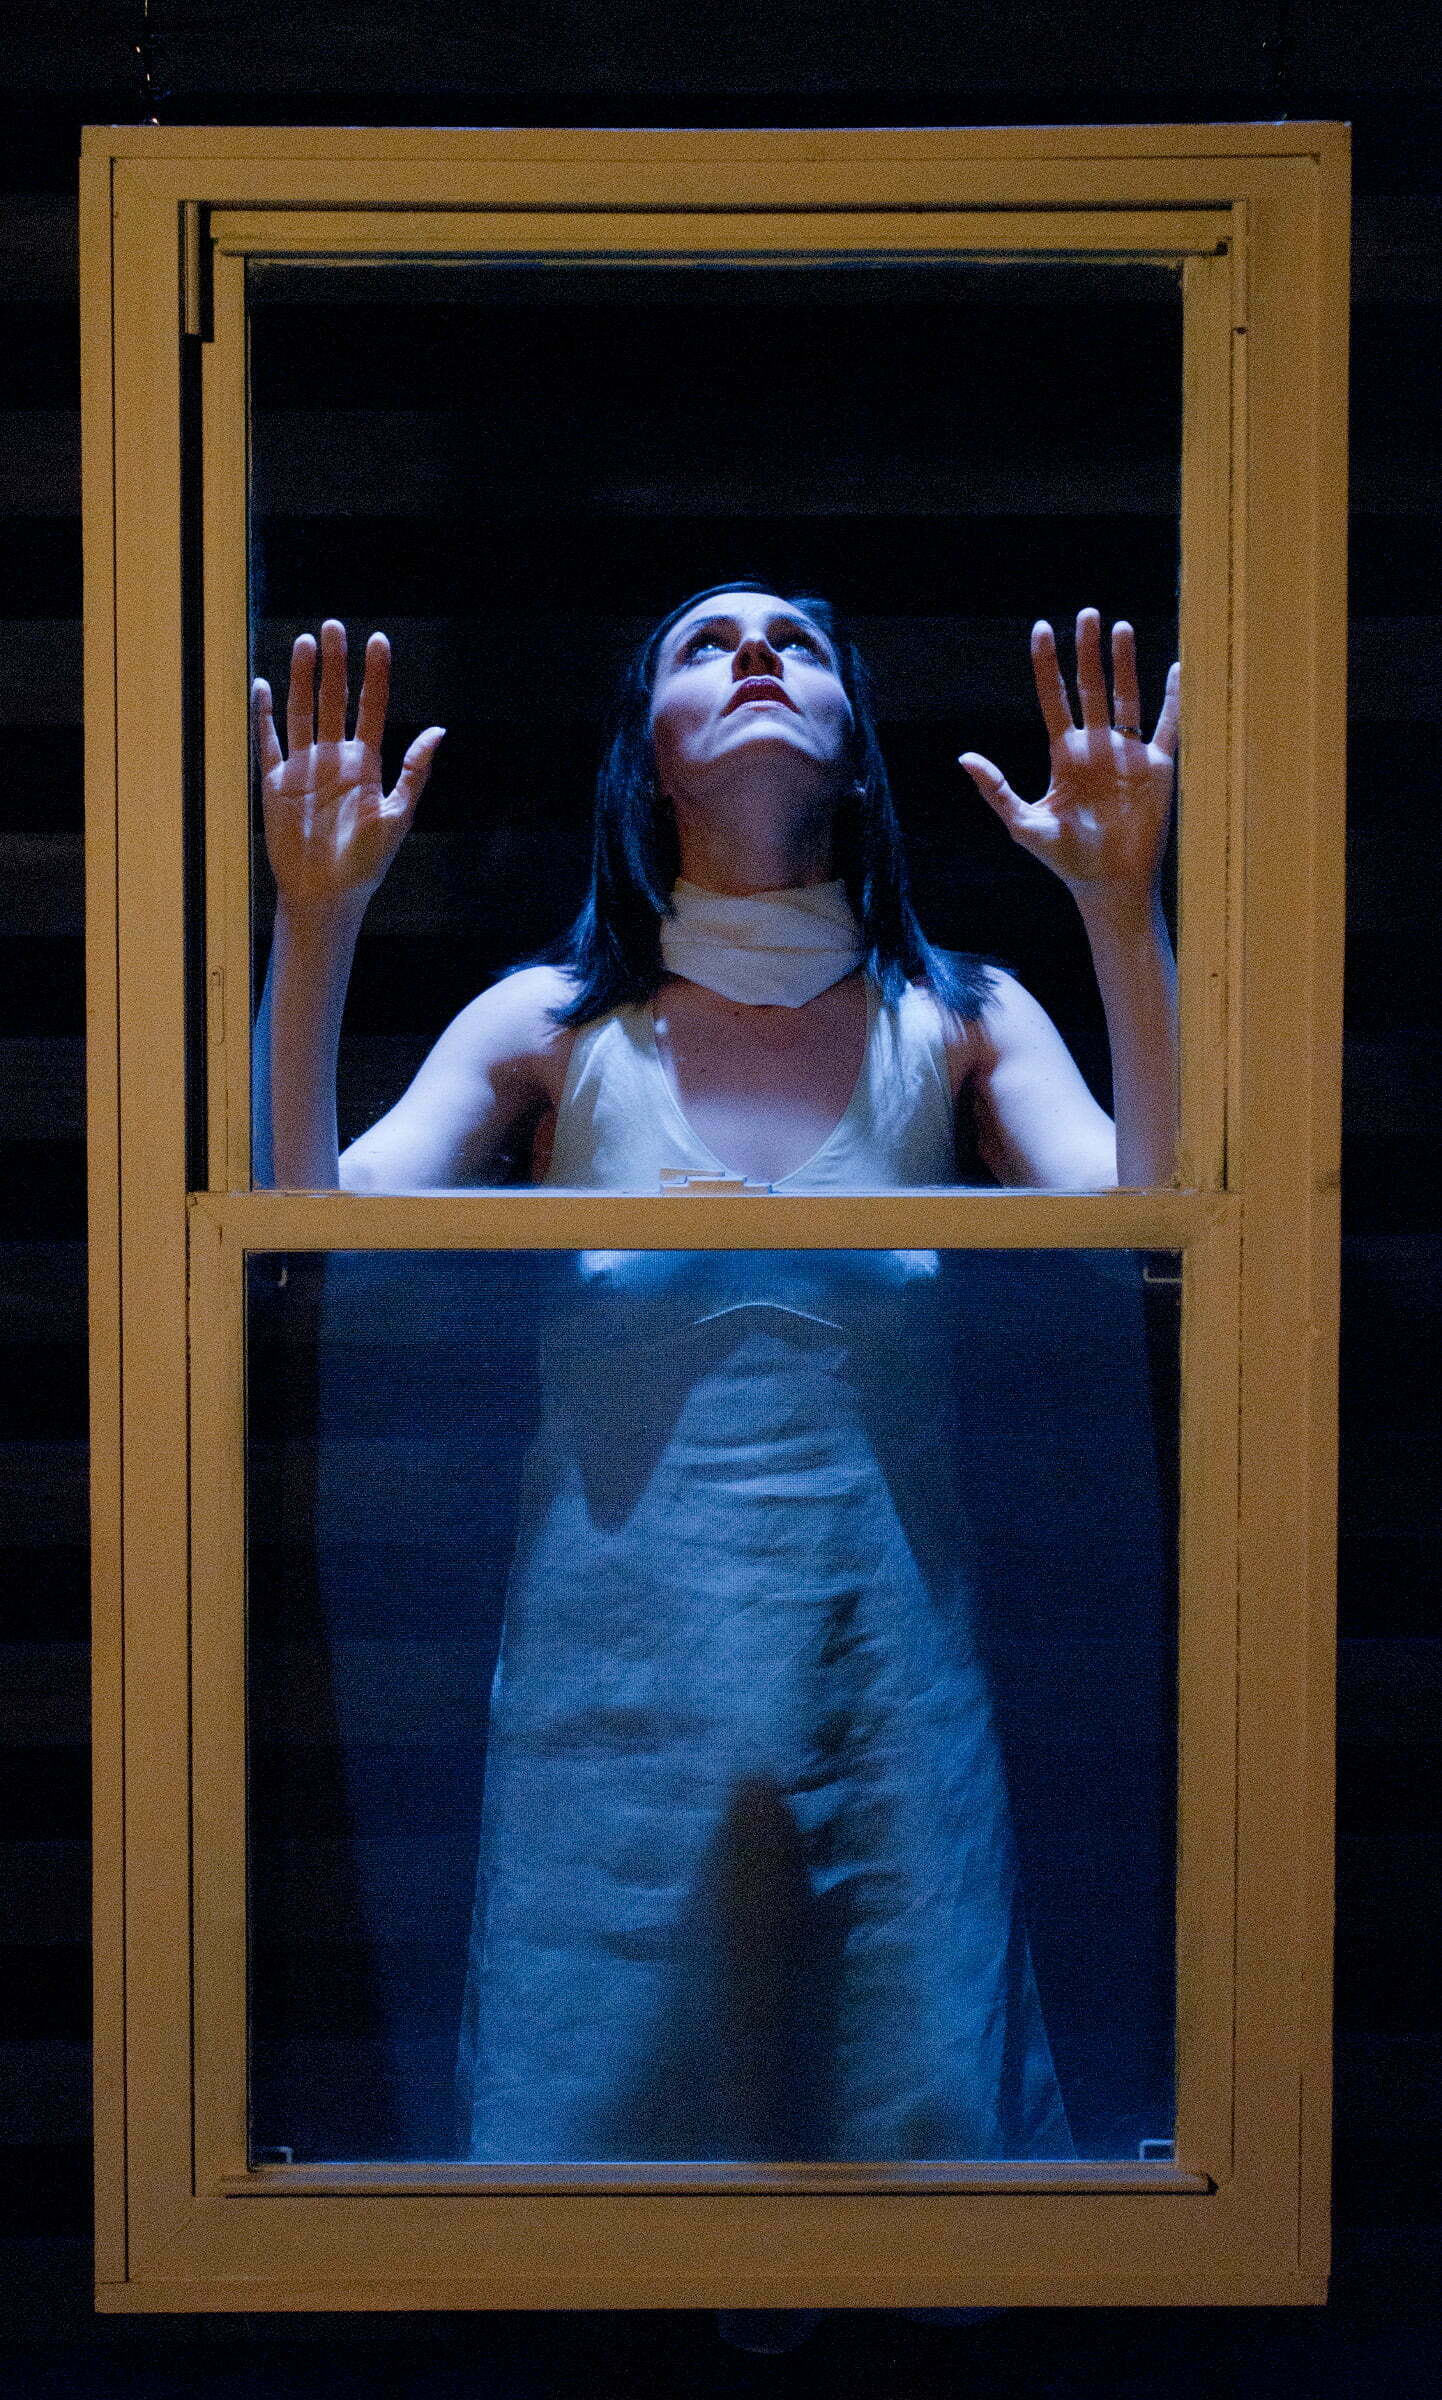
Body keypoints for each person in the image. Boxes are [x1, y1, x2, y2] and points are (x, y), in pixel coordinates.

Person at [252, 584, 1179, 2172]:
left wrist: (1116, 904)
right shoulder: (552, 1022)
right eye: (707, 642)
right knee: (598, 2100)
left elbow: (1144, 1232)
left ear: (854, 748)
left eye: (797, 643)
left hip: (883, 1669)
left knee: (911, 2091)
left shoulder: (956, 1018)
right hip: (611, 1689)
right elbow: (310, 1227)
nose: (756, 654)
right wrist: (318, 915)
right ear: (648, 753)